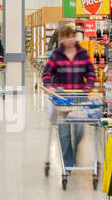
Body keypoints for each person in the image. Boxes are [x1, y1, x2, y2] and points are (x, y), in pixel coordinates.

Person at [41, 23, 96, 173]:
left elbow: (91, 73)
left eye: (73, 36)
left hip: (78, 99)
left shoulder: (83, 54)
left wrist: (87, 88)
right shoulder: (56, 56)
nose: (71, 39)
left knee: (79, 131)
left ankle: (74, 153)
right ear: (62, 39)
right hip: (61, 100)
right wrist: (50, 86)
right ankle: (68, 164)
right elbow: (46, 74)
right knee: (64, 133)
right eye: (67, 37)